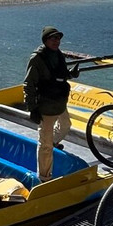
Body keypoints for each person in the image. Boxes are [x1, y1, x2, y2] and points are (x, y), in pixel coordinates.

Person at [23, 26, 79, 181]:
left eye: (58, 38)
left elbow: (59, 75)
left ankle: (53, 142)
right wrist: (32, 108)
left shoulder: (58, 54)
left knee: (66, 125)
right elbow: (29, 84)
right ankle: (44, 177)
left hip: (59, 102)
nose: (57, 41)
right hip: (46, 106)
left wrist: (71, 74)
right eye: (53, 38)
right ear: (46, 40)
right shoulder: (37, 58)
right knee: (45, 145)